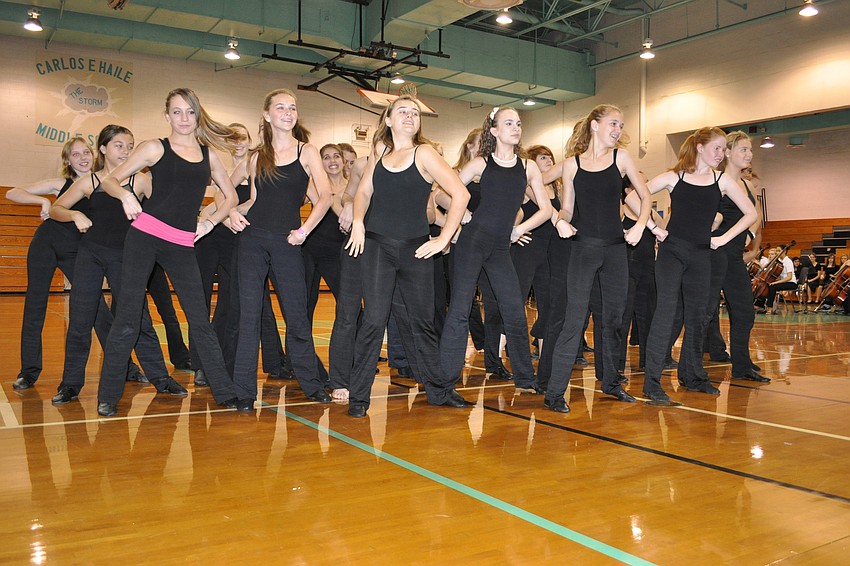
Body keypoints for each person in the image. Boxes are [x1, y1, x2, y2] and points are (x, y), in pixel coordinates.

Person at [95, 87, 241, 417]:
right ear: (167, 116)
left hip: (181, 244)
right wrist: (126, 197)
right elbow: (110, 181)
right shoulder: (154, 148)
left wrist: (210, 223)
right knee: (128, 318)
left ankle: (225, 391)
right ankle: (108, 395)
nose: (184, 118)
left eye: (189, 111)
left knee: (199, 320)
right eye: (177, 112)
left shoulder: (209, 155)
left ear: (197, 114)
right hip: (144, 237)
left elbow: (230, 197)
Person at [346, 95, 469, 417]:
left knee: (422, 322)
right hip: (377, 247)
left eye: (414, 113)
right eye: (402, 111)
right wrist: (358, 221)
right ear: (387, 119)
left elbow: (461, 194)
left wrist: (443, 237)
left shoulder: (424, 153)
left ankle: (440, 391)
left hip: (415, 249)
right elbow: (362, 192)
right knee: (373, 322)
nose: (409, 116)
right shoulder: (380, 155)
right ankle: (359, 397)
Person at [48, 125, 174, 404]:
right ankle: (70, 384)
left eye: (130, 146)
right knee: (81, 320)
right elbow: (56, 209)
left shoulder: (138, 181)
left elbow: (166, 208)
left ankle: (161, 378)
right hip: (90, 255)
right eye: (119, 145)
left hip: (125, 257)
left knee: (138, 319)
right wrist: (73, 216)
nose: (126, 151)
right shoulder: (89, 182)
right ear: (103, 149)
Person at [542, 104, 655, 413]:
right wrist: (559, 220)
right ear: (594, 125)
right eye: (613, 123)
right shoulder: (572, 165)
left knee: (615, 319)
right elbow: (566, 207)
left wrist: (641, 226)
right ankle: (554, 393)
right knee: (574, 320)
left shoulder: (621, 160)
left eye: (621, 124)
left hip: (617, 250)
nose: (618, 129)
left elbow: (645, 197)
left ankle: (611, 382)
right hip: (583, 250)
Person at [6, 137, 143, 390]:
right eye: (75, 154)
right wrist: (44, 201)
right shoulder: (62, 183)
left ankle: (126, 366)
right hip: (45, 245)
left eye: (85, 153)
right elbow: (12, 192)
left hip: (76, 252)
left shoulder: (102, 183)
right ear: (68, 160)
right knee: (34, 307)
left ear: (95, 154)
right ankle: (29, 371)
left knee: (99, 311)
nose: (82, 158)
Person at [228, 88, 332, 412]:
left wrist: (303, 231)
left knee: (297, 316)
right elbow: (255, 201)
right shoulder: (257, 156)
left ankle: (312, 383)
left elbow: (325, 198)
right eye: (281, 107)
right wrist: (231, 212)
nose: (288, 112)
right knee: (249, 316)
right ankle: (243, 391)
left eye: (292, 108)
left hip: (288, 242)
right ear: (267, 114)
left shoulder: (307, 151)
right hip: (252, 240)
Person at [440, 106, 551, 401]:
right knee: (460, 310)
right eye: (508, 123)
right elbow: (441, 192)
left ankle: (526, 378)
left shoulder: (528, 168)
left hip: (501, 246)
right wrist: (460, 216)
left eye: (518, 123)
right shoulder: (479, 164)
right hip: (473, 242)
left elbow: (546, 209)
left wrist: (519, 229)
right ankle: (445, 385)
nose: (516, 128)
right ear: (494, 131)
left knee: (514, 311)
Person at [642, 126, 757, 405]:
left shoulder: (721, 181)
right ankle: (652, 383)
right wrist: (654, 228)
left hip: (701, 255)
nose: (721, 154)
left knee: (698, 317)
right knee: (666, 314)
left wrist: (723, 239)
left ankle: (692, 376)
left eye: (723, 149)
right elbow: (636, 196)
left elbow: (750, 213)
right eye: (717, 148)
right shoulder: (674, 176)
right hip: (672, 253)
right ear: (700, 148)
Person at [703, 131, 770, 382]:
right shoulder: (714, 181)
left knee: (744, 312)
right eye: (743, 149)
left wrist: (751, 244)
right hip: (713, 254)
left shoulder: (747, 184)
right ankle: (690, 366)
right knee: (705, 312)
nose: (749, 154)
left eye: (750, 149)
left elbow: (755, 218)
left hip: (733, 257)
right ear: (728, 153)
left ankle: (742, 365)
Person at [759, 247, 796, 314]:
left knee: (773, 287)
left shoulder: (788, 261)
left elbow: (789, 277)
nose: (777, 253)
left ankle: (770, 308)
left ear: (784, 251)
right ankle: (761, 305)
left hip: (791, 283)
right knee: (767, 285)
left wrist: (776, 282)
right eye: (776, 251)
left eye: (779, 251)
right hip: (783, 282)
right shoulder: (779, 261)